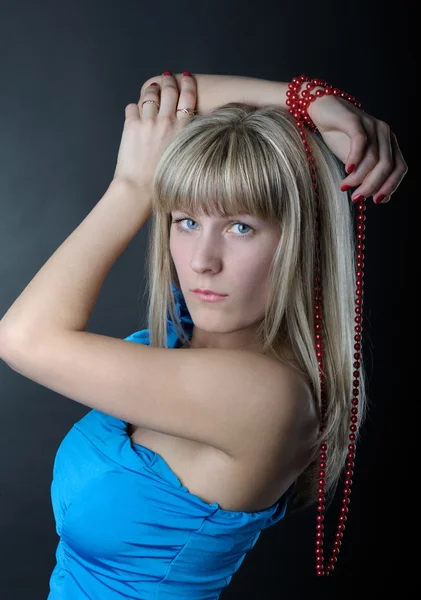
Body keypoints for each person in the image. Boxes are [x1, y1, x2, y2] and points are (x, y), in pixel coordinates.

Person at [0, 71, 407, 597]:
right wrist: (315, 103)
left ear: (302, 243)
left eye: (241, 227)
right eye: (186, 220)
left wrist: (131, 188)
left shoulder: (269, 398)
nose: (201, 262)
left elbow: (20, 338)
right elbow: (163, 94)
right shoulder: (175, 336)